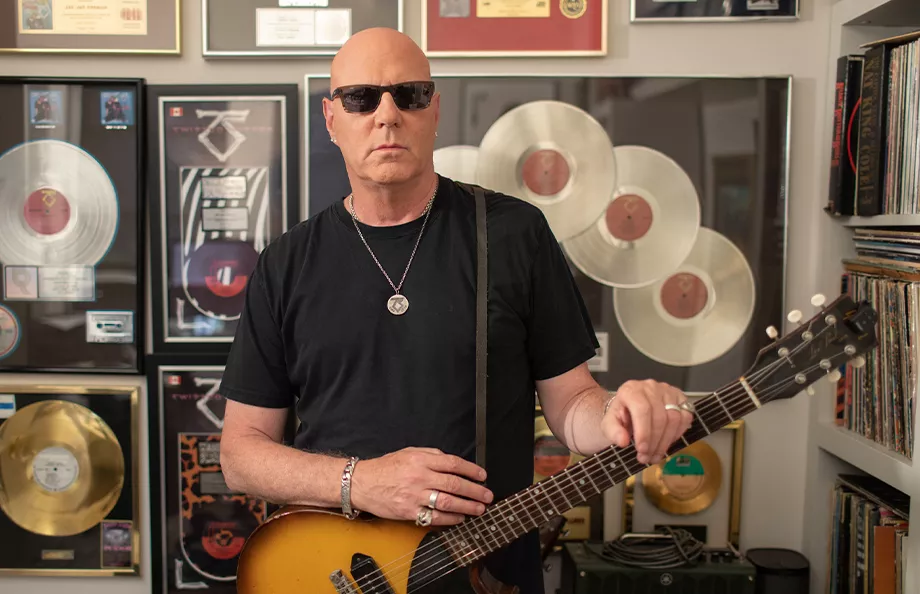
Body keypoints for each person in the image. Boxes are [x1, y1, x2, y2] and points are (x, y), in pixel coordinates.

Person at [218, 27, 694, 594]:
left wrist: (618, 412)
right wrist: (360, 482)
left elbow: (571, 406)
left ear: (435, 109)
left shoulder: (514, 234)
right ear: (331, 119)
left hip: (488, 574)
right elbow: (241, 454)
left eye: (410, 95)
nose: (387, 115)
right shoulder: (286, 263)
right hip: (336, 574)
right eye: (361, 98)